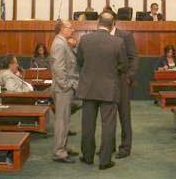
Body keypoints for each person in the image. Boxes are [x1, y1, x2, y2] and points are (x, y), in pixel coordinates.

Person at [76, 11, 127, 170]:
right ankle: (105, 161)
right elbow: (124, 66)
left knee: (87, 125)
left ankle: (87, 157)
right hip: (109, 89)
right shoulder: (118, 42)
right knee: (108, 125)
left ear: (98, 23)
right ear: (112, 25)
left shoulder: (84, 40)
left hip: (88, 88)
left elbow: (80, 62)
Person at [49, 20, 79, 164]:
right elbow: (58, 68)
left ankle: (63, 147)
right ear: (62, 29)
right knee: (61, 121)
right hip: (62, 89)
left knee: (65, 120)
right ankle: (59, 152)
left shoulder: (63, 42)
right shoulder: (59, 44)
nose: (72, 30)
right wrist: (67, 85)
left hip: (64, 88)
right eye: (69, 27)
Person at [111, 11, 138, 159]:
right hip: (105, 82)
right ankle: (109, 146)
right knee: (108, 117)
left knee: (124, 116)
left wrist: (129, 76)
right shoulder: (102, 36)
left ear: (114, 21)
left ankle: (125, 147)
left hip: (122, 82)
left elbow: (134, 57)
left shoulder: (125, 36)